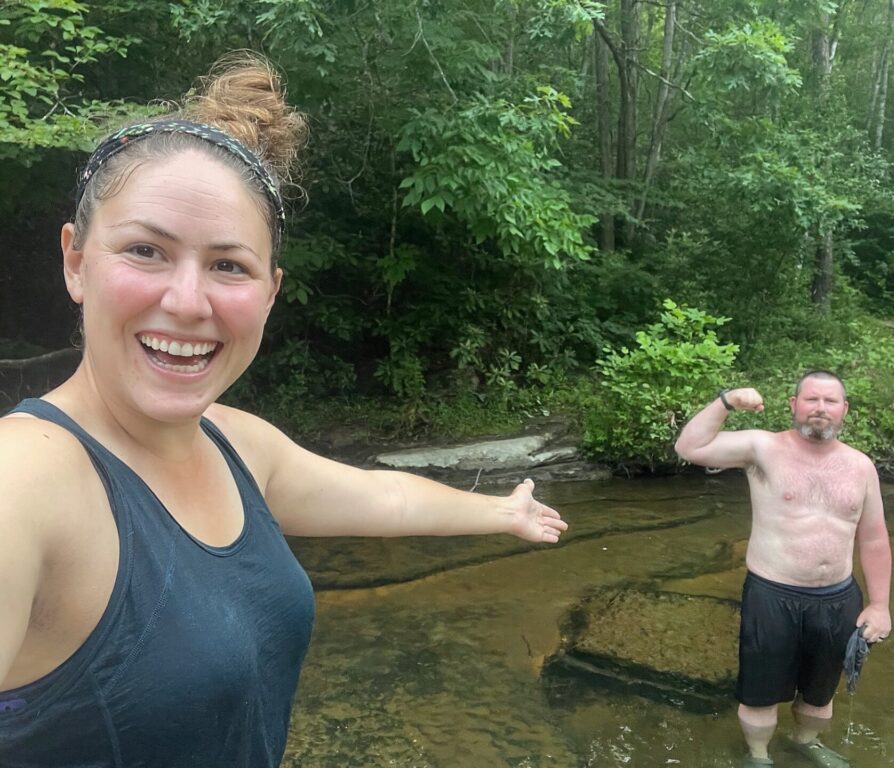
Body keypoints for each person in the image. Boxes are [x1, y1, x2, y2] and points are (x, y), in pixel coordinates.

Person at [0, 53, 567, 768]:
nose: (187, 300)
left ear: (269, 293)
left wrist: (500, 514)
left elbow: (380, 496)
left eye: (228, 265)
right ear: (76, 261)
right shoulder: (23, 478)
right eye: (146, 250)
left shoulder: (236, 444)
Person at [674, 371, 892, 768]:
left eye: (830, 401)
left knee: (821, 693)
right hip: (773, 593)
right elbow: (689, 446)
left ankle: (806, 742)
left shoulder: (861, 466)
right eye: (811, 399)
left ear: (844, 410)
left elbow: (874, 539)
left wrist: (880, 605)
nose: (820, 408)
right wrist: (727, 402)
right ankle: (759, 756)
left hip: (837, 597)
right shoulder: (762, 448)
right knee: (759, 693)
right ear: (794, 406)